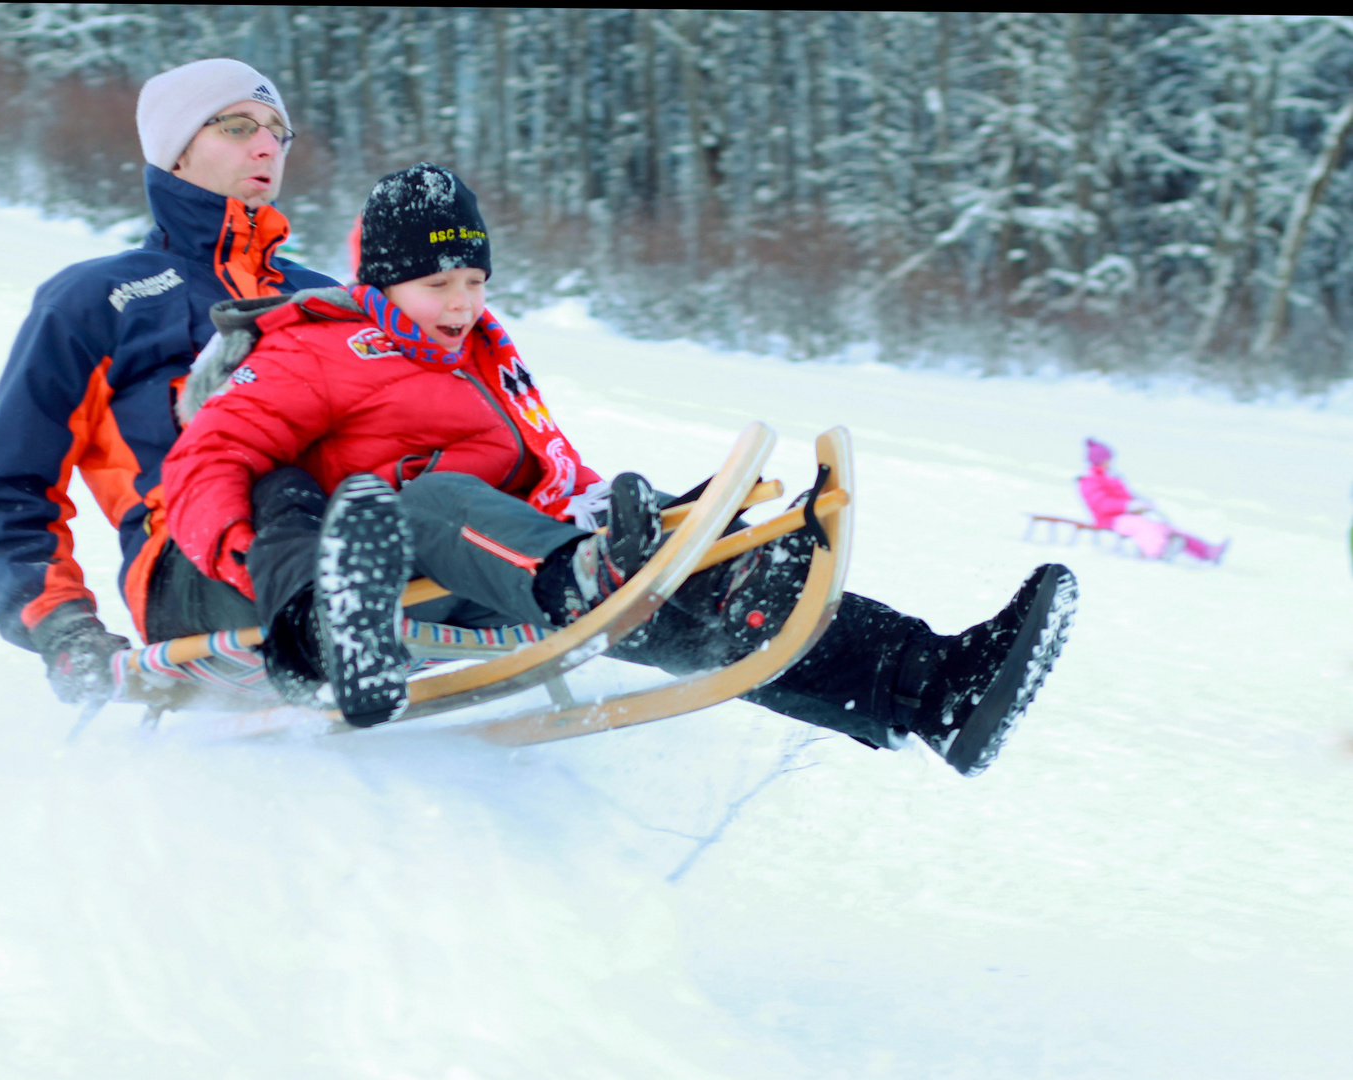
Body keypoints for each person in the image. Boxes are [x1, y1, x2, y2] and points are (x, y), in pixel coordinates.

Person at [160, 162, 1079, 776]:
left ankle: (933, 686)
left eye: (475, 282)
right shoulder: (323, 350)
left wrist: (655, 527)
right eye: (438, 285)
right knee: (438, 498)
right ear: (380, 282)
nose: (462, 302)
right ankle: (586, 579)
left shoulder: (483, 352)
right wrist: (266, 573)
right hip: (369, 583)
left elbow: (551, 476)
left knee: (709, 589)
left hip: (497, 566)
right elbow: (210, 457)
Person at [0, 59, 339, 707]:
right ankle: (340, 611)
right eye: (239, 126)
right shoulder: (97, 300)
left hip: (349, 532)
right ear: (176, 151)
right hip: (192, 571)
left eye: (279, 132)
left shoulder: (326, 299)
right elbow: (6, 496)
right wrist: (65, 628)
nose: (268, 145)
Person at [1078, 439, 1227, 563]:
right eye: (1107, 459)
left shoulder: (1112, 477)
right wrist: (1128, 506)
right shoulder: (1090, 481)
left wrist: (1140, 503)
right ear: (1099, 461)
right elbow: (1101, 504)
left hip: (1126, 514)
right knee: (1143, 526)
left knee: (1164, 526)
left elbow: (1127, 496)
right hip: (1109, 520)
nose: (1110, 462)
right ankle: (1157, 552)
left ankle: (1206, 551)